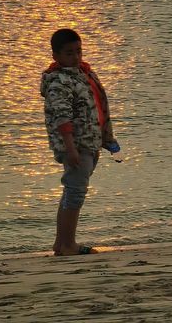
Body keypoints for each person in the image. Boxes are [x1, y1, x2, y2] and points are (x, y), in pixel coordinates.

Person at [40, 27, 117, 256]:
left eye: (78, 51)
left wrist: (107, 139)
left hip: (90, 142)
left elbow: (99, 107)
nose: (75, 57)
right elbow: (62, 117)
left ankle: (61, 244)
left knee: (72, 192)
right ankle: (68, 245)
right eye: (69, 53)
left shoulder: (84, 74)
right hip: (76, 145)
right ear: (56, 56)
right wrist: (70, 148)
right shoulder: (59, 82)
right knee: (75, 192)